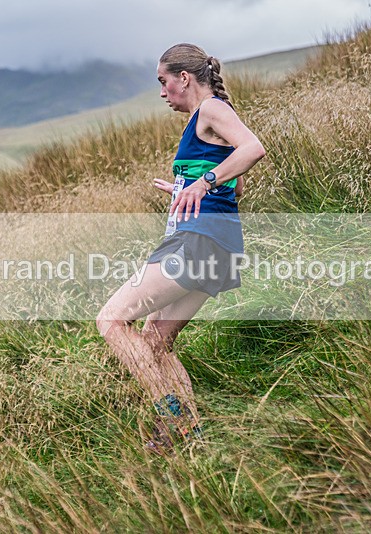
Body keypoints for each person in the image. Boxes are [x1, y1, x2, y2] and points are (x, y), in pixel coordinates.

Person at [96, 43, 265, 453]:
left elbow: (253, 148)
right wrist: (187, 187)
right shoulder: (201, 121)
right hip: (216, 242)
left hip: (198, 240)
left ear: (184, 78)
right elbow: (236, 183)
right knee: (155, 342)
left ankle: (170, 415)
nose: (161, 92)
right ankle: (189, 438)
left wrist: (202, 184)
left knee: (112, 321)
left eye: (163, 81)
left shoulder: (211, 109)